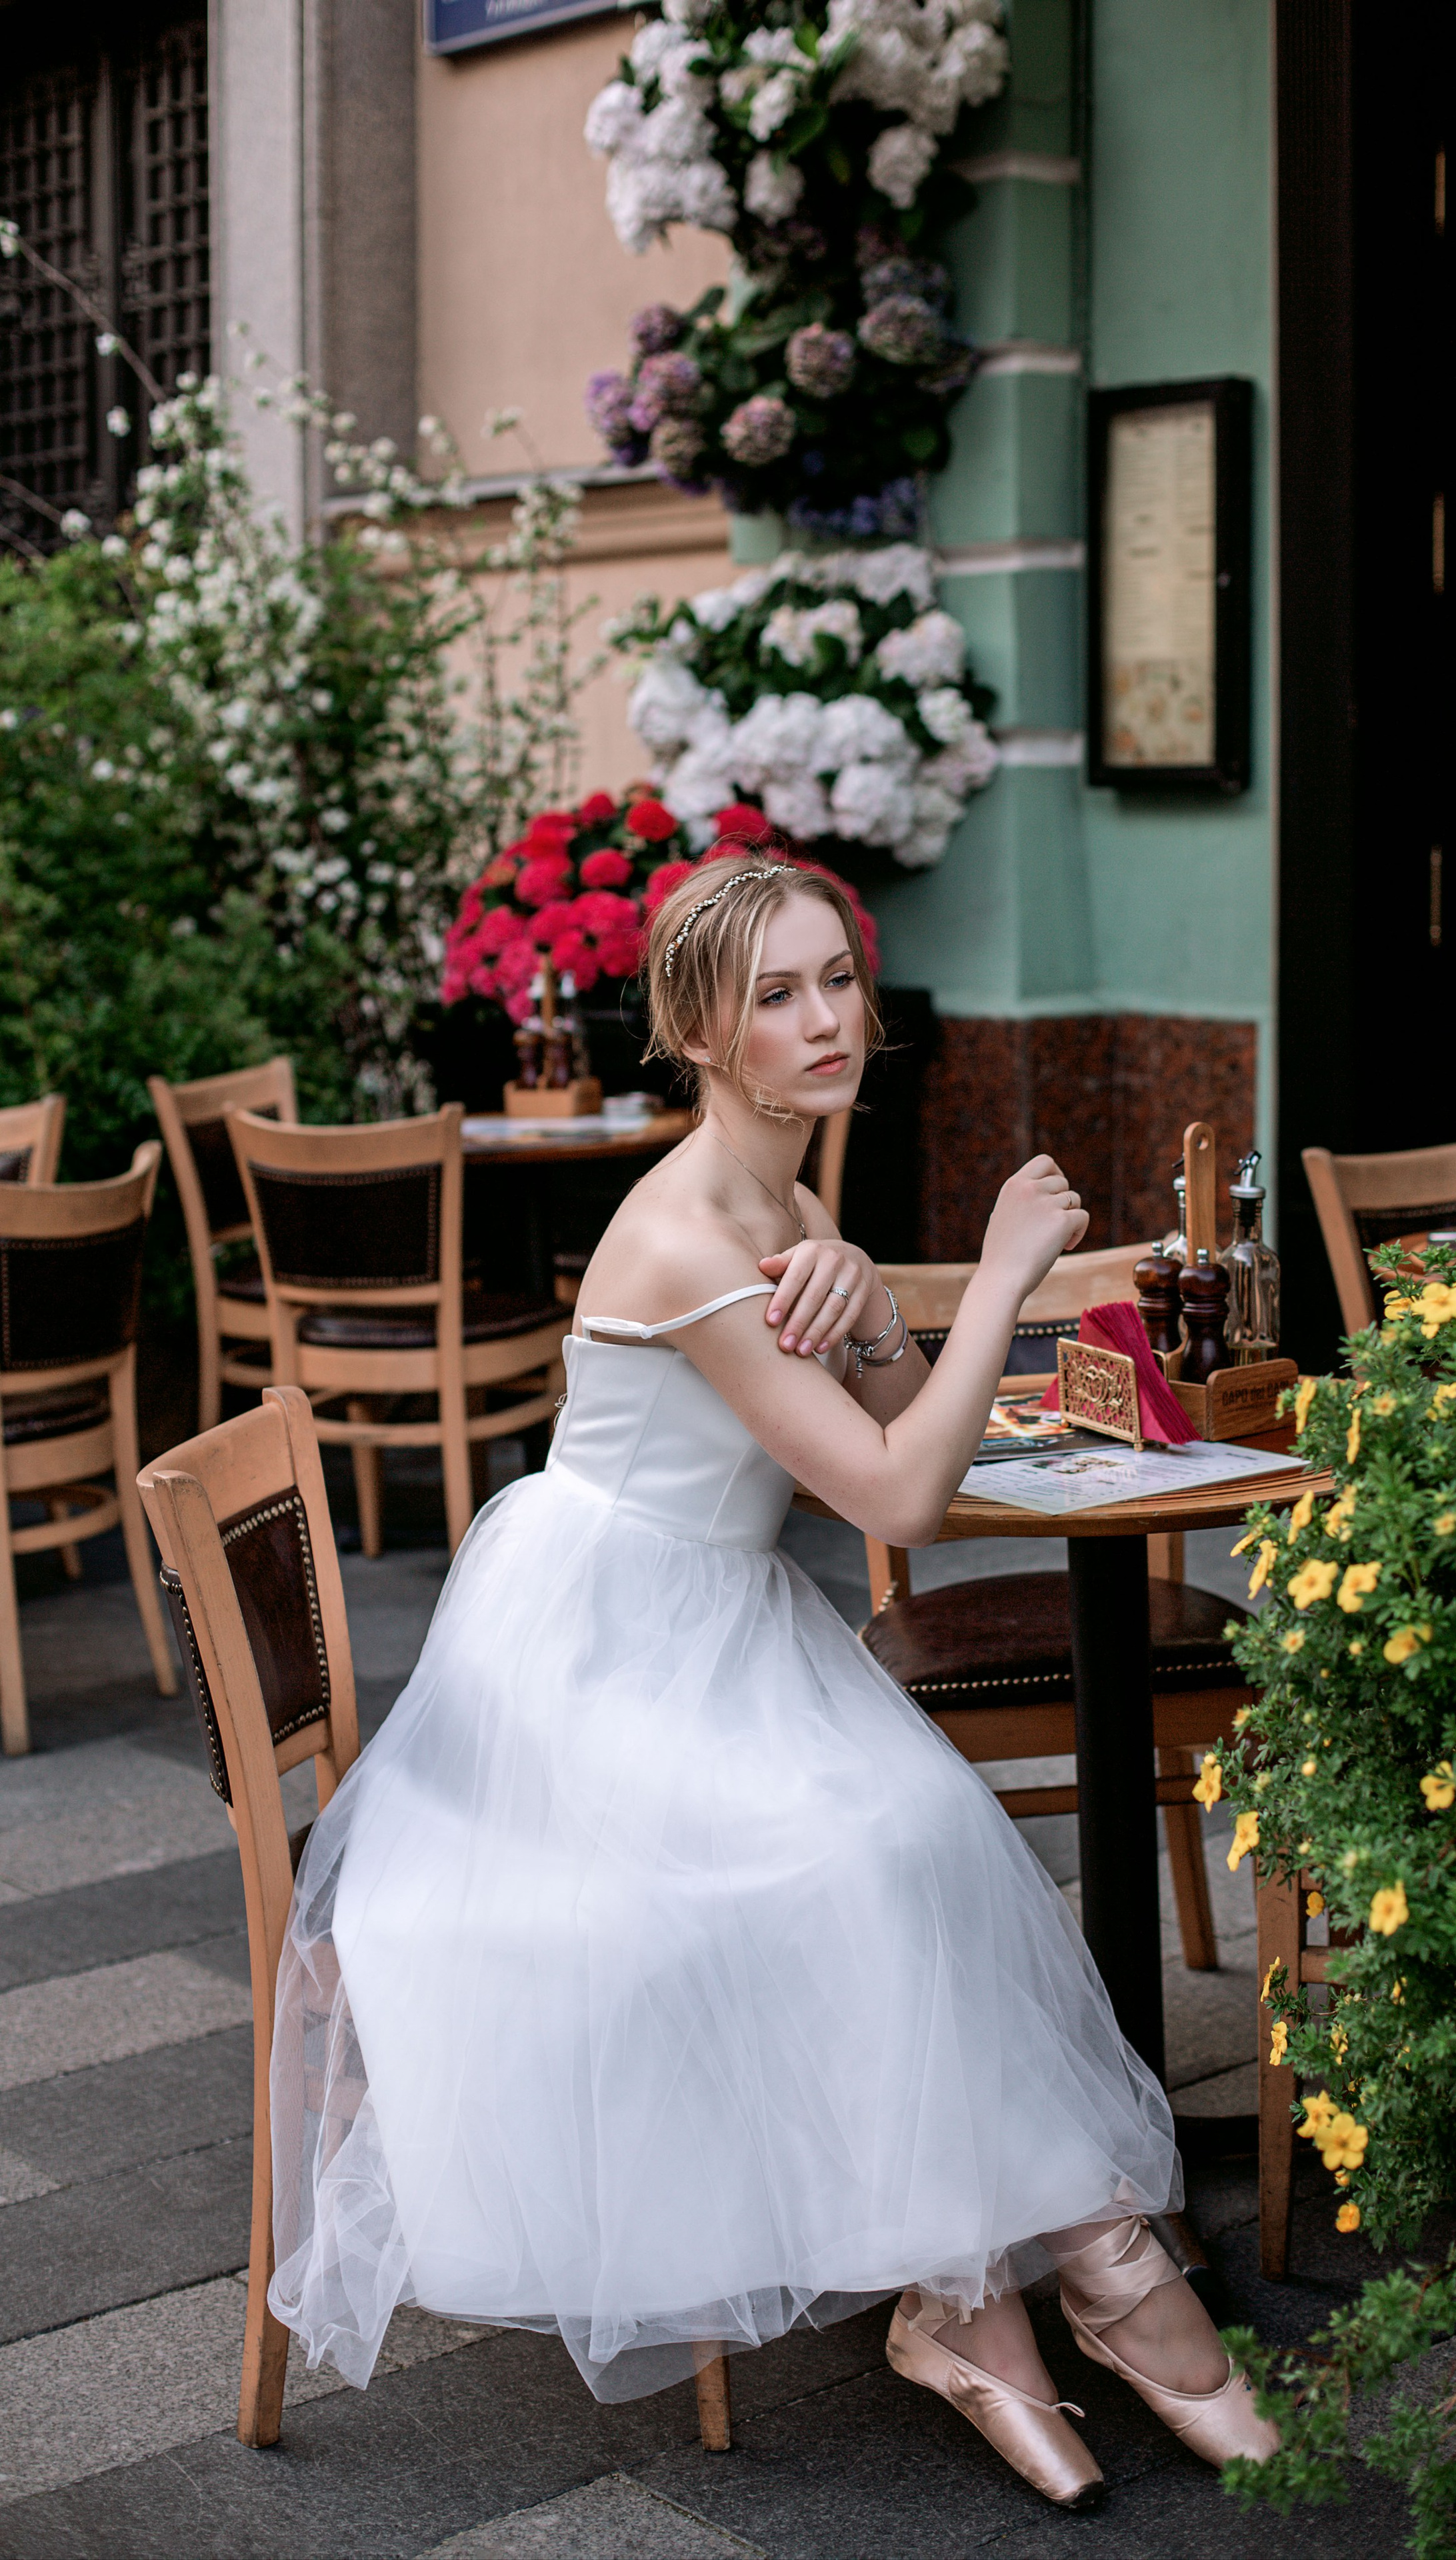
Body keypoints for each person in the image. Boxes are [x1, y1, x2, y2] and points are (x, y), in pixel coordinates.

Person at [268, 849, 1277, 2509]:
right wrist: (1004, 1275)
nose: (825, 1022)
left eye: (836, 983)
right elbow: (896, 1502)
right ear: (703, 1034)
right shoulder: (683, 1237)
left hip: (710, 1622)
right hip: (595, 1658)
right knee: (877, 1849)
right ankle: (1073, 2289)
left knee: (913, 1838)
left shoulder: (790, 1201)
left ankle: (1006, 2295)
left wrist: (874, 1296)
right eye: (777, 998)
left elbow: (886, 1420)